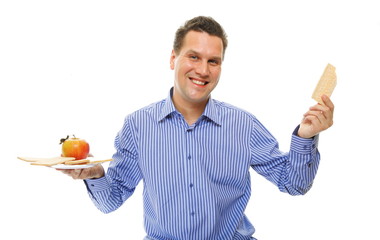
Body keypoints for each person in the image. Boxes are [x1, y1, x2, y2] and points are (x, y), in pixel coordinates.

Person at [59, 16, 334, 240]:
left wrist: (305, 137)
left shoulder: (243, 125)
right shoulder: (138, 126)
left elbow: (295, 184)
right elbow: (111, 200)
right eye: (194, 57)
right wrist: (95, 174)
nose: (203, 70)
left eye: (213, 61)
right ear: (172, 59)